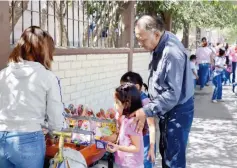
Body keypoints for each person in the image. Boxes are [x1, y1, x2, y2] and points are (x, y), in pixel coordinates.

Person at [131, 15, 194, 168]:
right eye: (138, 39)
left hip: (177, 110)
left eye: (143, 40)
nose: (140, 44)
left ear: (156, 34)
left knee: (173, 159)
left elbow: (173, 94)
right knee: (165, 150)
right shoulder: (160, 41)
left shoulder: (172, 53)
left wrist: (147, 110)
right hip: (167, 108)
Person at [0, 26, 64, 168]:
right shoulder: (47, 77)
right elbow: (55, 117)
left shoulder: (3, 74)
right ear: (44, 51)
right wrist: (54, 133)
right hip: (28, 140)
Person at [120, 71, 156, 168]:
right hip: (134, 141)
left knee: (145, 164)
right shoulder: (129, 100)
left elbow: (152, 126)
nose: (123, 90)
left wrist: (151, 148)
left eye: (125, 87)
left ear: (137, 86)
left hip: (145, 143)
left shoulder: (145, 103)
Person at [106, 83, 144, 168]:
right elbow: (121, 136)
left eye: (117, 102)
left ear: (126, 104)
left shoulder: (132, 122)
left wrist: (117, 147)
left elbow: (136, 147)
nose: (114, 105)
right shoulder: (124, 118)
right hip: (122, 162)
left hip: (132, 164)